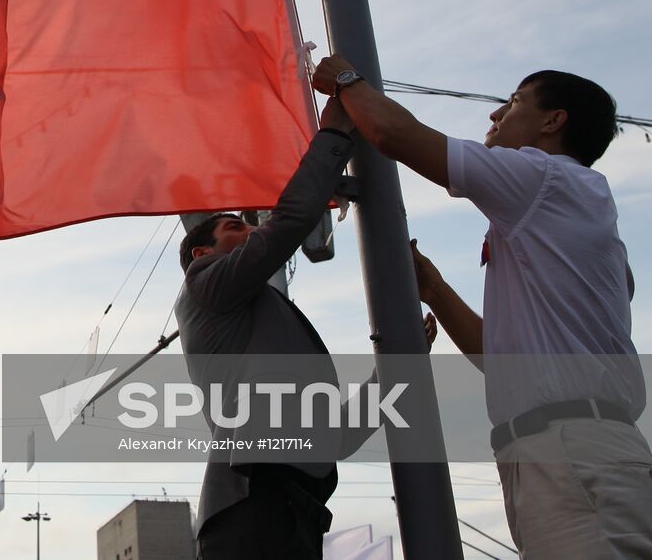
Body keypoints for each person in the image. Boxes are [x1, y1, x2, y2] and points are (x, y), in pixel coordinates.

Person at [313, 56, 651, 557]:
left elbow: (394, 135)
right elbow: (498, 360)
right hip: (553, 448)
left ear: (553, 121)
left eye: (513, 102)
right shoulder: (561, 209)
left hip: (572, 448)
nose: (495, 116)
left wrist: (345, 80)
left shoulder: (548, 179)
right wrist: (436, 289)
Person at [177, 97, 435, 558]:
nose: (255, 229)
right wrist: (333, 137)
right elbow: (288, 224)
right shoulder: (204, 284)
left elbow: (338, 435)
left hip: (295, 509)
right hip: (252, 504)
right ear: (202, 254)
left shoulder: (259, 318)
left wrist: (398, 364)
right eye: (237, 226)